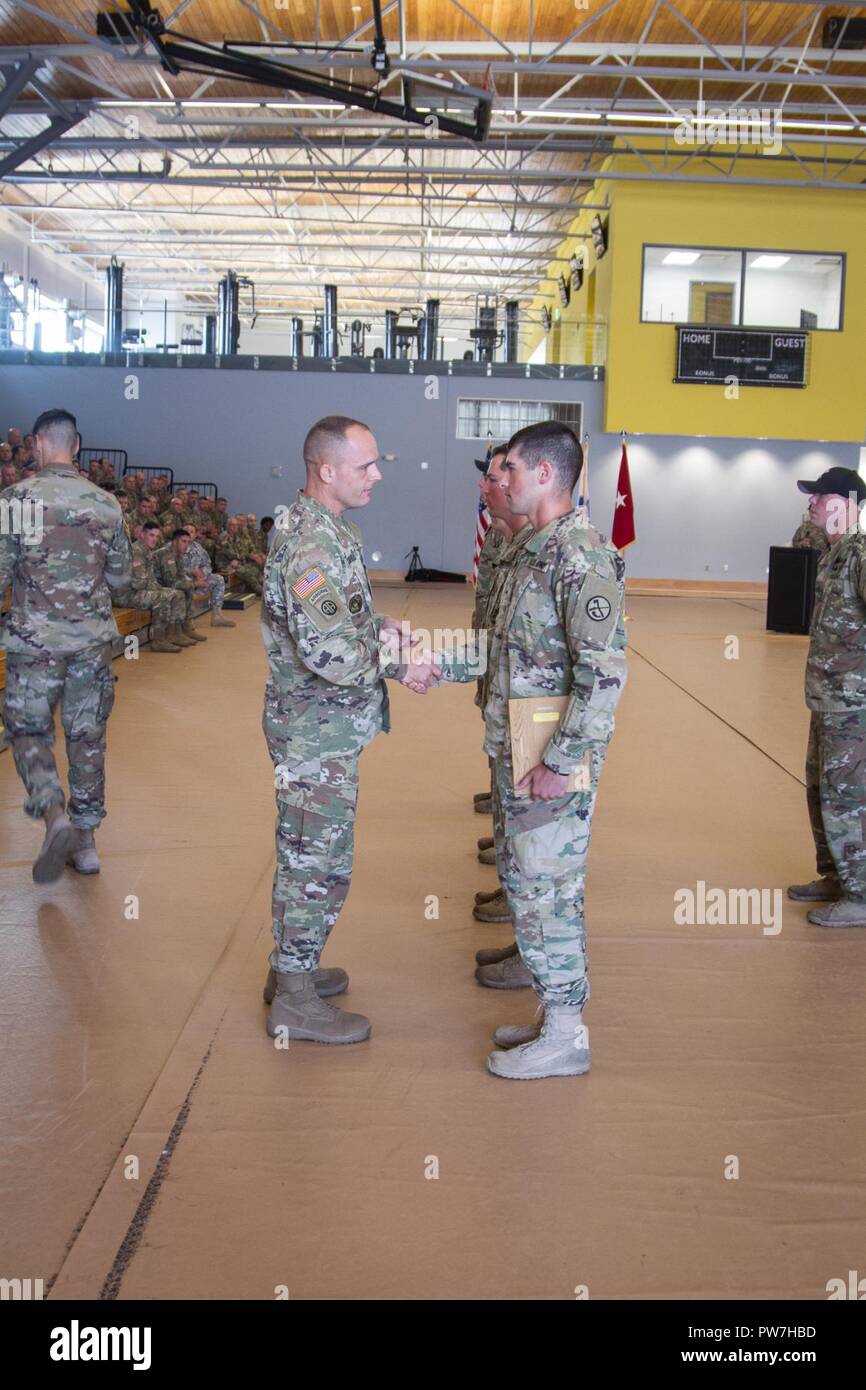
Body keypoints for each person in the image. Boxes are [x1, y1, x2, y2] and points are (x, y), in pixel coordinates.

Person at [435, 422, 627, 1079]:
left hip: (549, 756)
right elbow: (499, 648)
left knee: (548, 890)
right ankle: (552, 1014)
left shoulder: (582, 555)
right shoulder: (531, 550)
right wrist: (421, 656)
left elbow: (604, 672)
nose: (500, 478)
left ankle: (569, 1035)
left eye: (511, 467)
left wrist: (563, 759)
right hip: (518, 745)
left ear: (547, 474)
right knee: (526, 881)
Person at [260, 414, 432, 1047]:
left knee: (314, 854)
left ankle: (292, 970)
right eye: (366, 465)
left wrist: (379, 625)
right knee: (315, 861)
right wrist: (402, 661)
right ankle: (295, 1000)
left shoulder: (327, 532)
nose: (378, 474)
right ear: (326, 470)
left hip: (324, 728)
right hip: (314, 733)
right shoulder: (310, 544)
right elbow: (326, 651)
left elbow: (338, 614)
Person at [0, 408, 131, 880]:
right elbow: (121, 577)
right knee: (87, 738)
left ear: (37, 444)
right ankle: (87, 842)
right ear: (76, 447)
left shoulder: (14, 500)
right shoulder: (106, 504)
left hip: (33, 644)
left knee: (28, 730)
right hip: (91, 644)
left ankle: (53, 813)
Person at [788, 466, 866, 928]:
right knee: (820, 790)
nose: (812, 504)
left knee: (848, 798)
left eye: (820, 497)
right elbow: (801, 538)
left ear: (845, 502)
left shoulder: (859, 556)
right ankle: (835, 875)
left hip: (854, 705)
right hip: (826, 701)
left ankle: (861, 894)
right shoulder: (832, 552)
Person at [115, 520, 189, 653]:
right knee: (163, 596)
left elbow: (150, 579)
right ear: (142, 534)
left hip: (139, 591)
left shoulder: (147, 551)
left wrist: (159, 588)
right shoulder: (136, 551)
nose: (154, 539)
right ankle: (158, 640)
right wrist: (159, 589)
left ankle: (174, 634)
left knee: (178, 593)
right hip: (126, 594)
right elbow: (138, 583)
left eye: (157, 536)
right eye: (151, 535)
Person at [153, 528, 207, 644]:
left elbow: (181, 576)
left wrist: (191, 584)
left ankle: (185, 628)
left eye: (188, 542)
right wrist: (194, 583)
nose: (186, 545)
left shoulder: (178, 554)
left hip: (166, 586)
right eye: (183, 541)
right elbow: (170, 582)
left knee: (187, 588)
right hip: (156, 587)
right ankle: (173, 633)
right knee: (181, 591)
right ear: (174, 542)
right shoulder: (166, 554)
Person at [182, 523, 235, 628]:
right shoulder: (174, 546)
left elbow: (207, 564)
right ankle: (188, 619)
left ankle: (217, 616)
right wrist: (192, 572)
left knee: (218, 579)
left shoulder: (198, 547)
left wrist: (202, 574)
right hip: (183, 582)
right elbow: (171, 570)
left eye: (191, 531)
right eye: (185, 530)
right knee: (186, 582)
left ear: (196, 535)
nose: (188, 533)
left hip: (198, 582)